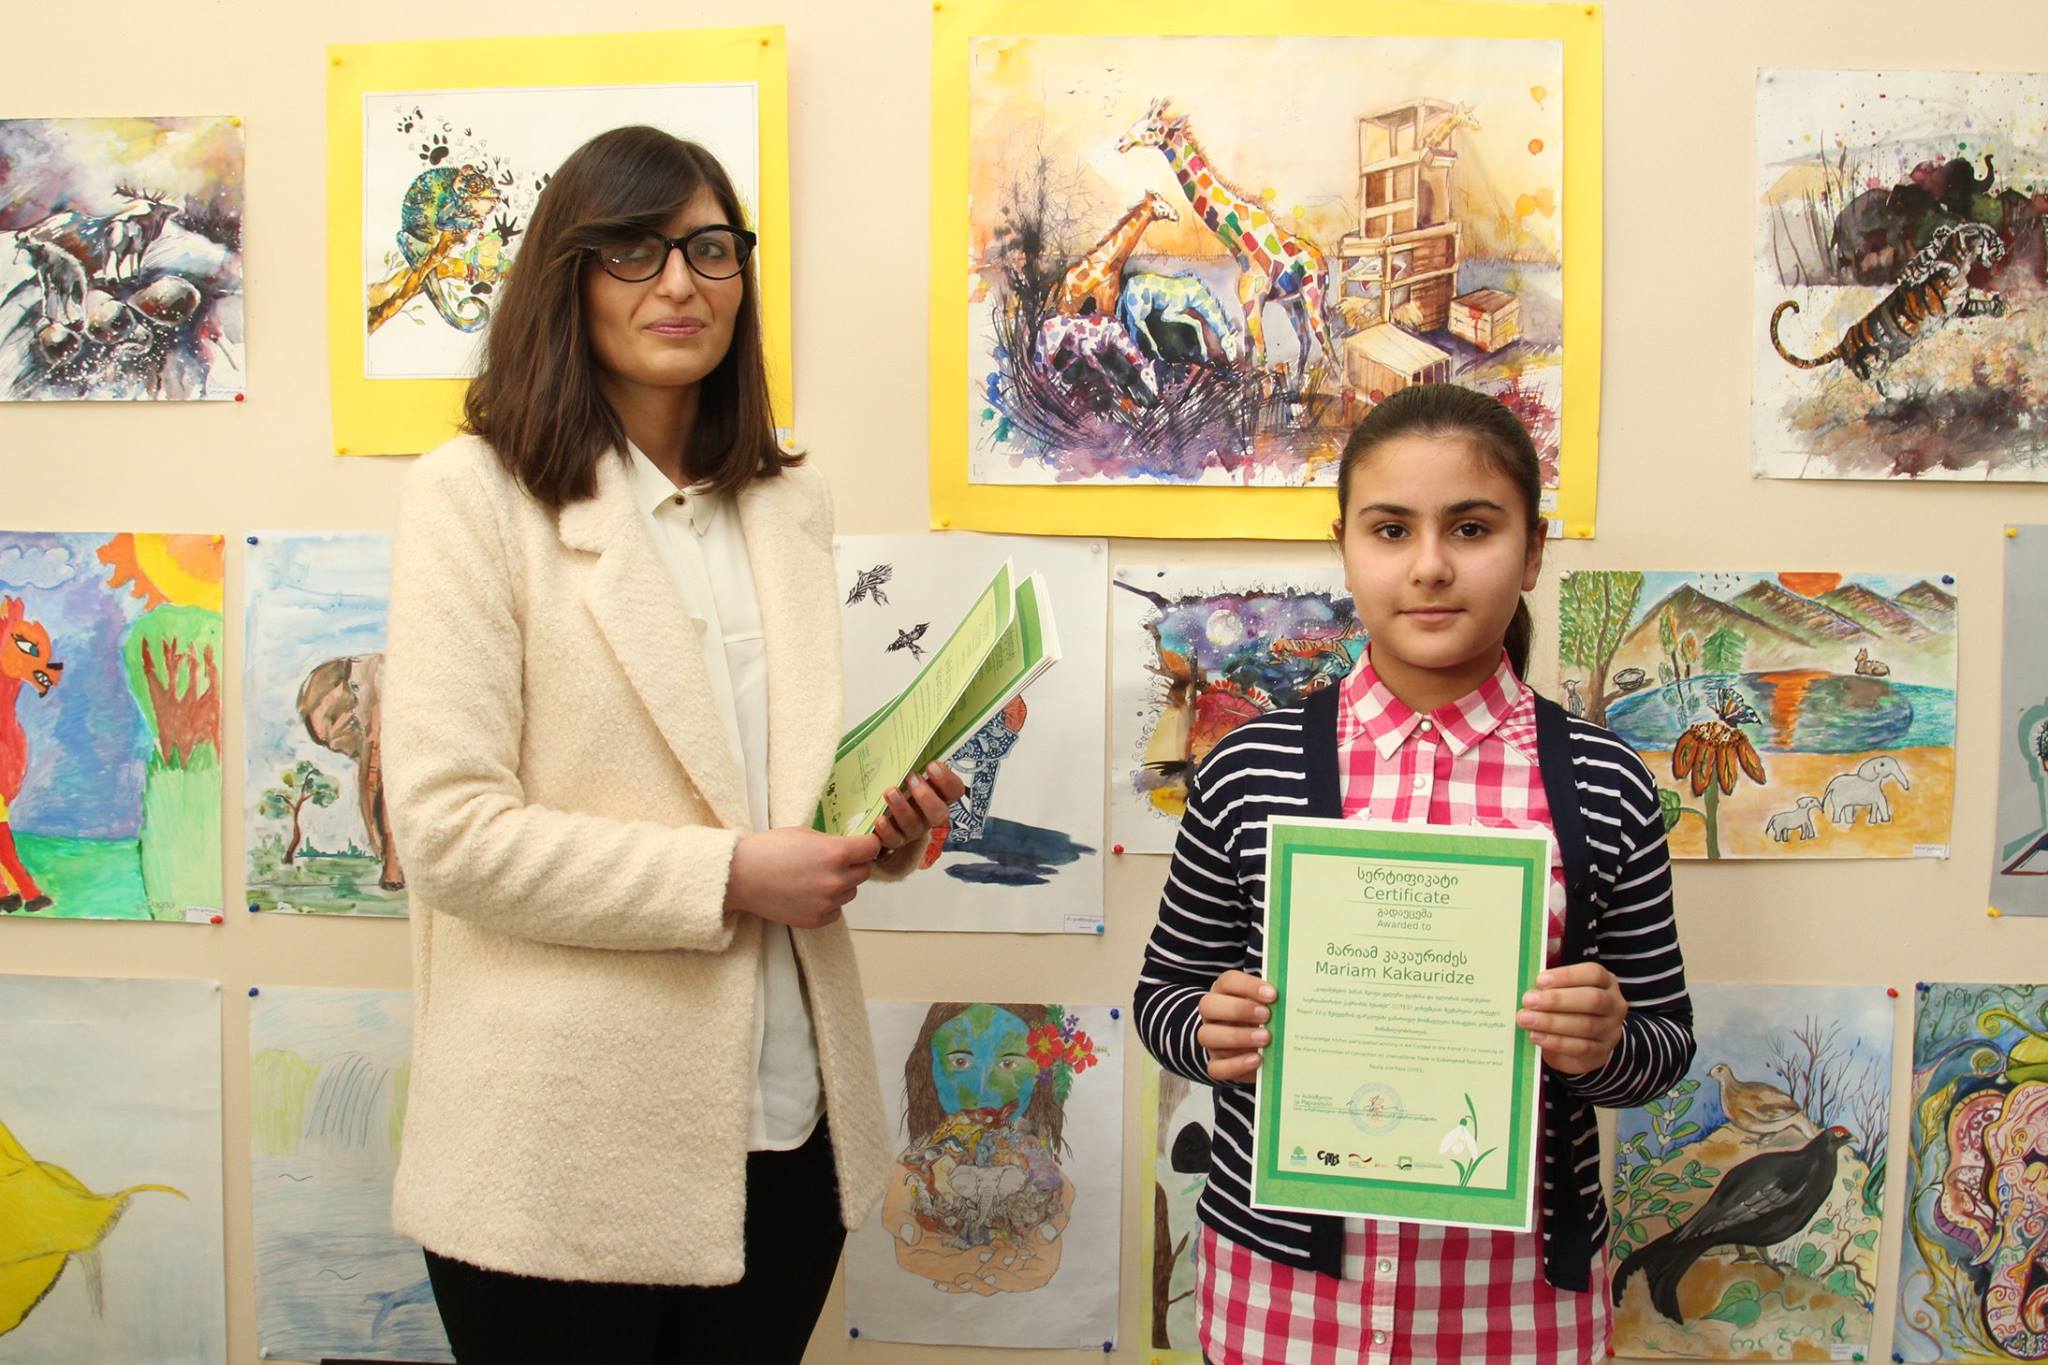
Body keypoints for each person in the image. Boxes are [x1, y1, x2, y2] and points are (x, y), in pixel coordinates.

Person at [382, 125, 965, 1364]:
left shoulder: (785, 502)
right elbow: (446, 835)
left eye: (709, 249)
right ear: (567, 275)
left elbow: (766, 789)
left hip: (789, 1123)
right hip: (558, 1154)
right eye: (632, 252)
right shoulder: (471, 494)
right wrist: (733, 875)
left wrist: (874, 833)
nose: (680, 283)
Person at [1133, 383, 1695, 1364]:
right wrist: (1207, 1027)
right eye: (1390, 530)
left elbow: (1662, 1042)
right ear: (1345, 546)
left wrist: (1602, 1041)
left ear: (1530, 551)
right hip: (1283, 1299)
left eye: (1471, 529)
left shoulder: (1603, 783)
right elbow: (1163, 999)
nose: (1429, 565)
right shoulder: (1249, 769)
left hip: (1514, 1302)